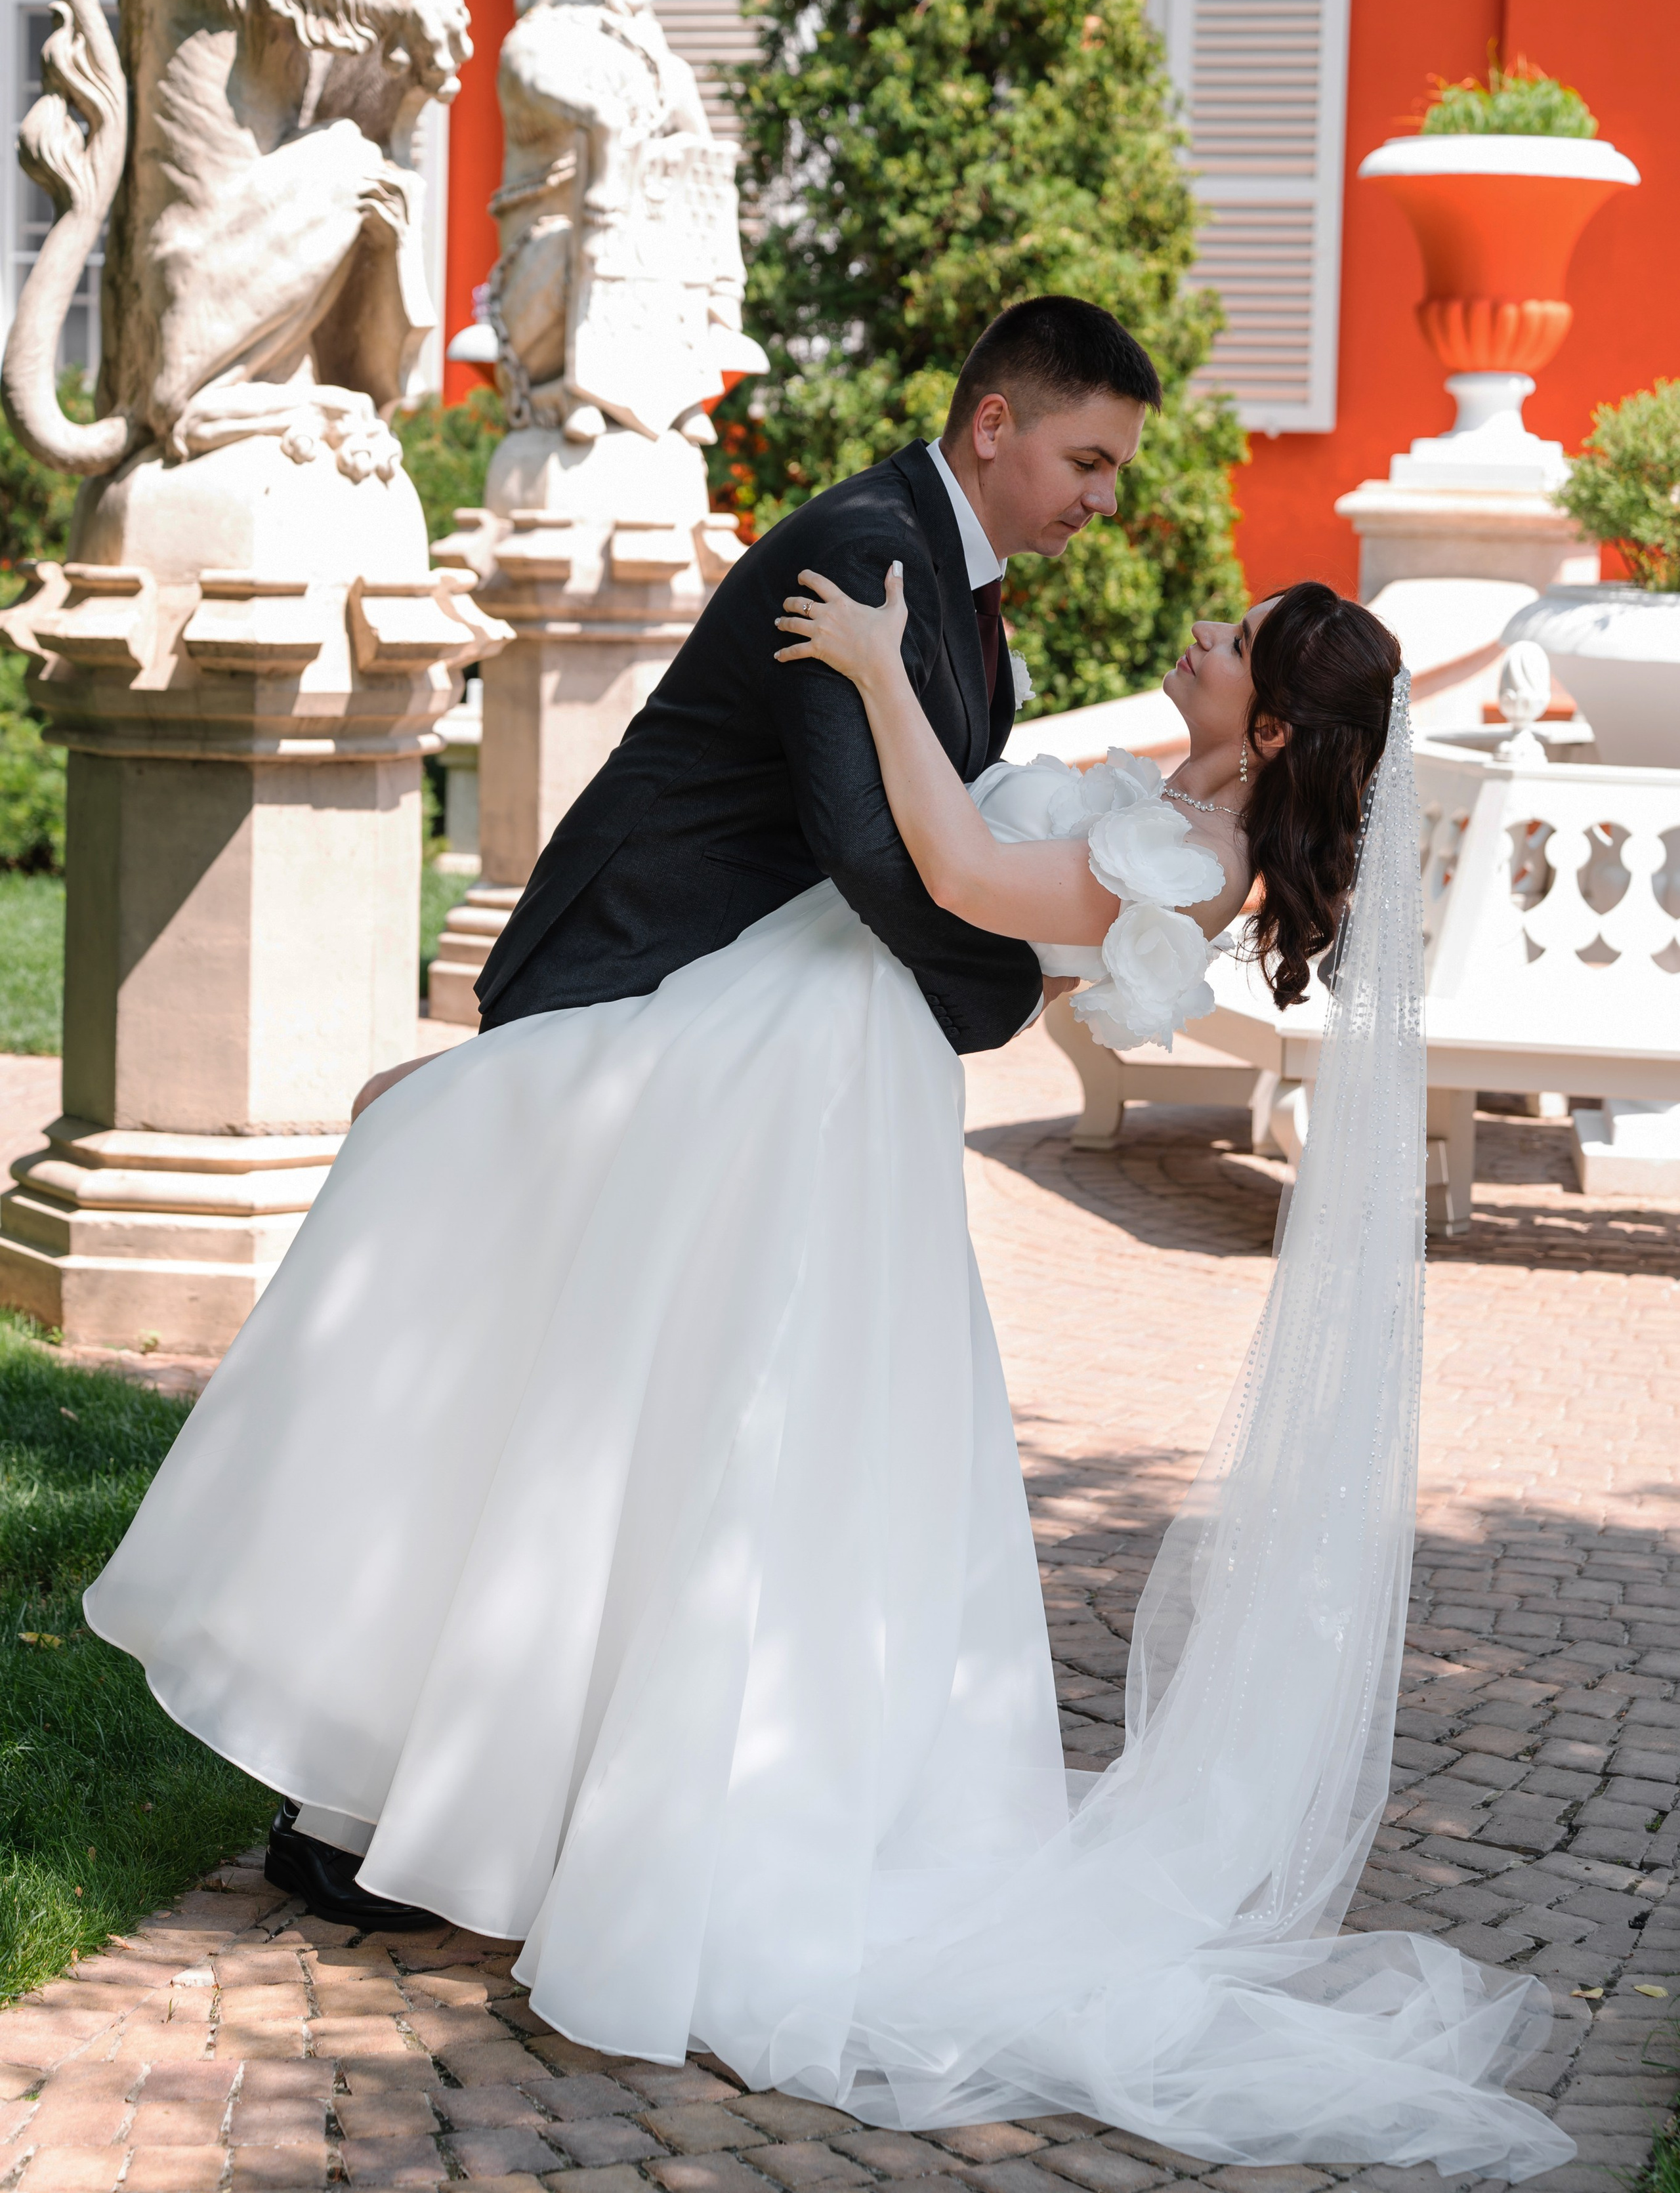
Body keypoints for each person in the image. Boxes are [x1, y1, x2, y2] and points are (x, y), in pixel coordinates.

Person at [83, 325, 1571, 2179]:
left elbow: (941, 872)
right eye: (1096, 464)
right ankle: (437, 1778)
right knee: (578, 1320)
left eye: (1237, 641)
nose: (1137, 533)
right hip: (783, 1041)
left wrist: (879, 684)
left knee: (674, 1400)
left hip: (812, 1069)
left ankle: (520, 1800)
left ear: (1269, 730)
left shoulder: (1160, 827)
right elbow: (929, 875)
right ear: (999, 425)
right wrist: (892, 696)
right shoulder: (960, 623)